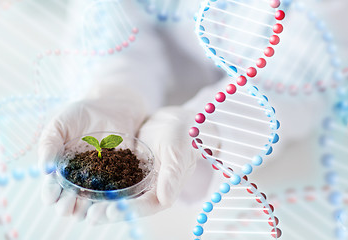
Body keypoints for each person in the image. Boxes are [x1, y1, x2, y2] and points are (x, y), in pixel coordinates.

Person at [38, 0, 348, 225]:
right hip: (168, 76)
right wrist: (115, 90)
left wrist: (200, 126)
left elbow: (295, 79)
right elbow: (114, 15)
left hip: (277, 161)